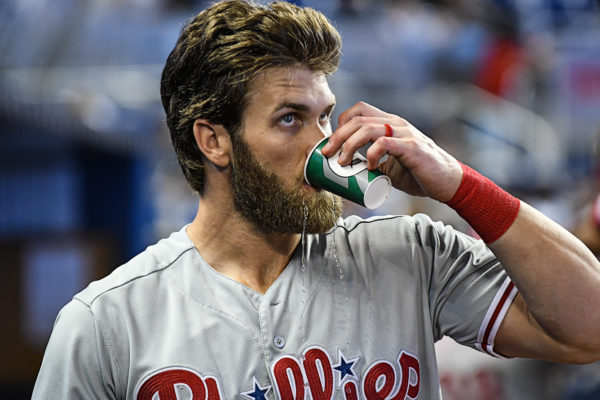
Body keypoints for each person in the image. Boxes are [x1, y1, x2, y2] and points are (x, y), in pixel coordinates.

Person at [33, 1, 600, 399]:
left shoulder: (412, 254)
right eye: (289, 119)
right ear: (214, 141)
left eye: (324, 115)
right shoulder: (107, 321)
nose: (322, 142)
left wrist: (459, 185)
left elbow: (588, 329)